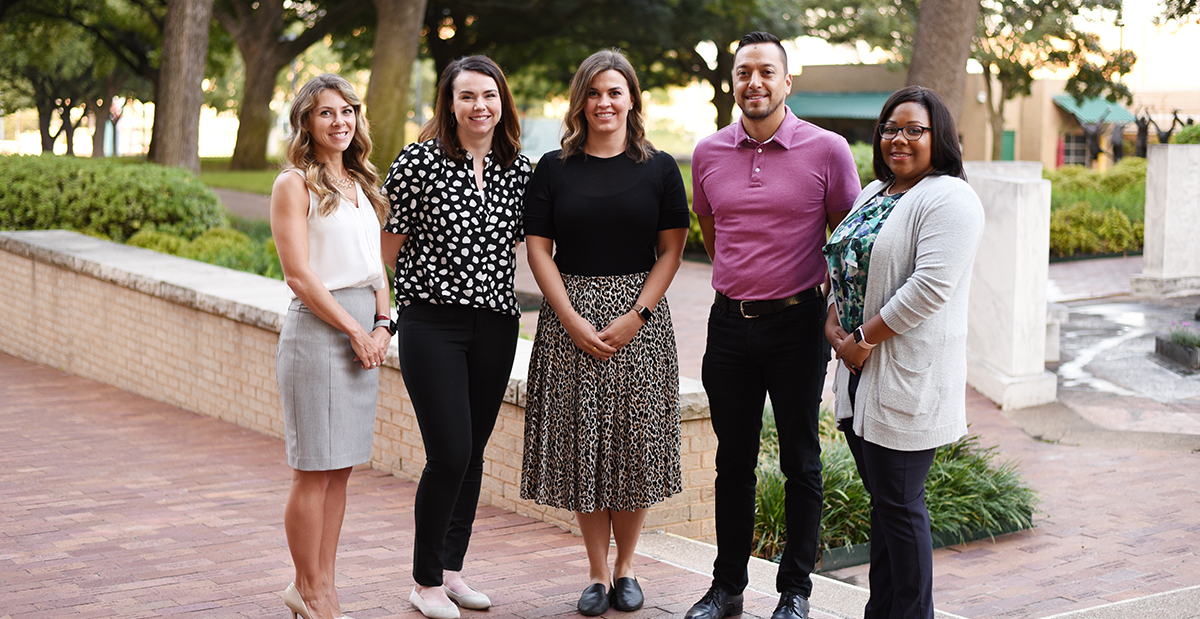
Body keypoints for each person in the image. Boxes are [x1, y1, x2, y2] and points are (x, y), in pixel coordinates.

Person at [685, 31, 861, 619]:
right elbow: (714, 238)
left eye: (766, 72)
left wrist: (834, 319)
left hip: (797, 324)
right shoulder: (708, 153)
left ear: (788, 81)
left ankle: (795, 591)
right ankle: (726, 588)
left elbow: (846, 243)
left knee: (800, 460)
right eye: (743, 73)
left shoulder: (829, 150)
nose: (753, 83)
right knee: (731, 460)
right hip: (729, 324)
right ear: (732, 83)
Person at [519, 49, 690, 616]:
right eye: (594, 93)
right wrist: (568, 315)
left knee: (633, 447)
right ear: (580, 101)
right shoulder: (553, 168)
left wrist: (636, 313)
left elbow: (672, 250)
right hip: (569, 315)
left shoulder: (661, 168)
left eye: (615, 92)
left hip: (639, 320)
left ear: (632, 99)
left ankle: (626, 569)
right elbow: (539, 250)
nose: (604, 103)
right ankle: (595, 573)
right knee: (583, 445)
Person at [822, 85, 984, 619]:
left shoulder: (950, 197)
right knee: (888, 506)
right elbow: (845, 264)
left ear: (939, 137)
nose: (900, 139)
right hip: (858, 372)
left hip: (904, 375)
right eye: (891, 128)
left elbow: (930, 286)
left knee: (900, 503)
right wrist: (833, 323)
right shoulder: (876, 190)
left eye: (915, 130)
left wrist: (863, 339)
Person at [380, 55, 531, 619]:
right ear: (449, 102)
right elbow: (387, 250)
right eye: (467, 96)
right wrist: (392, 312)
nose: (479, 107)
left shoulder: (520, 169)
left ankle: (451, 572)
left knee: (472, 455)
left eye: (489, 96)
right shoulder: (418, 163)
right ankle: (423, 582)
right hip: (431, 324)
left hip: (495, 324)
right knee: (449, 452)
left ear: (502, 103)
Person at [271, 73, 391, 619]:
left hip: (364, 329)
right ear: (306, 121)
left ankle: (322, 584)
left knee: (340, 467)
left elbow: (376, 266)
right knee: (312, 468)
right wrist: (354, 330)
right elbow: (299, 275)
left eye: (347, 111)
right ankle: (310, 588)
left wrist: (384, 323)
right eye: (326, 113)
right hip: (321, 332)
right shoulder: (293, 184)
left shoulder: (362, 182)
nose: (339, 121)